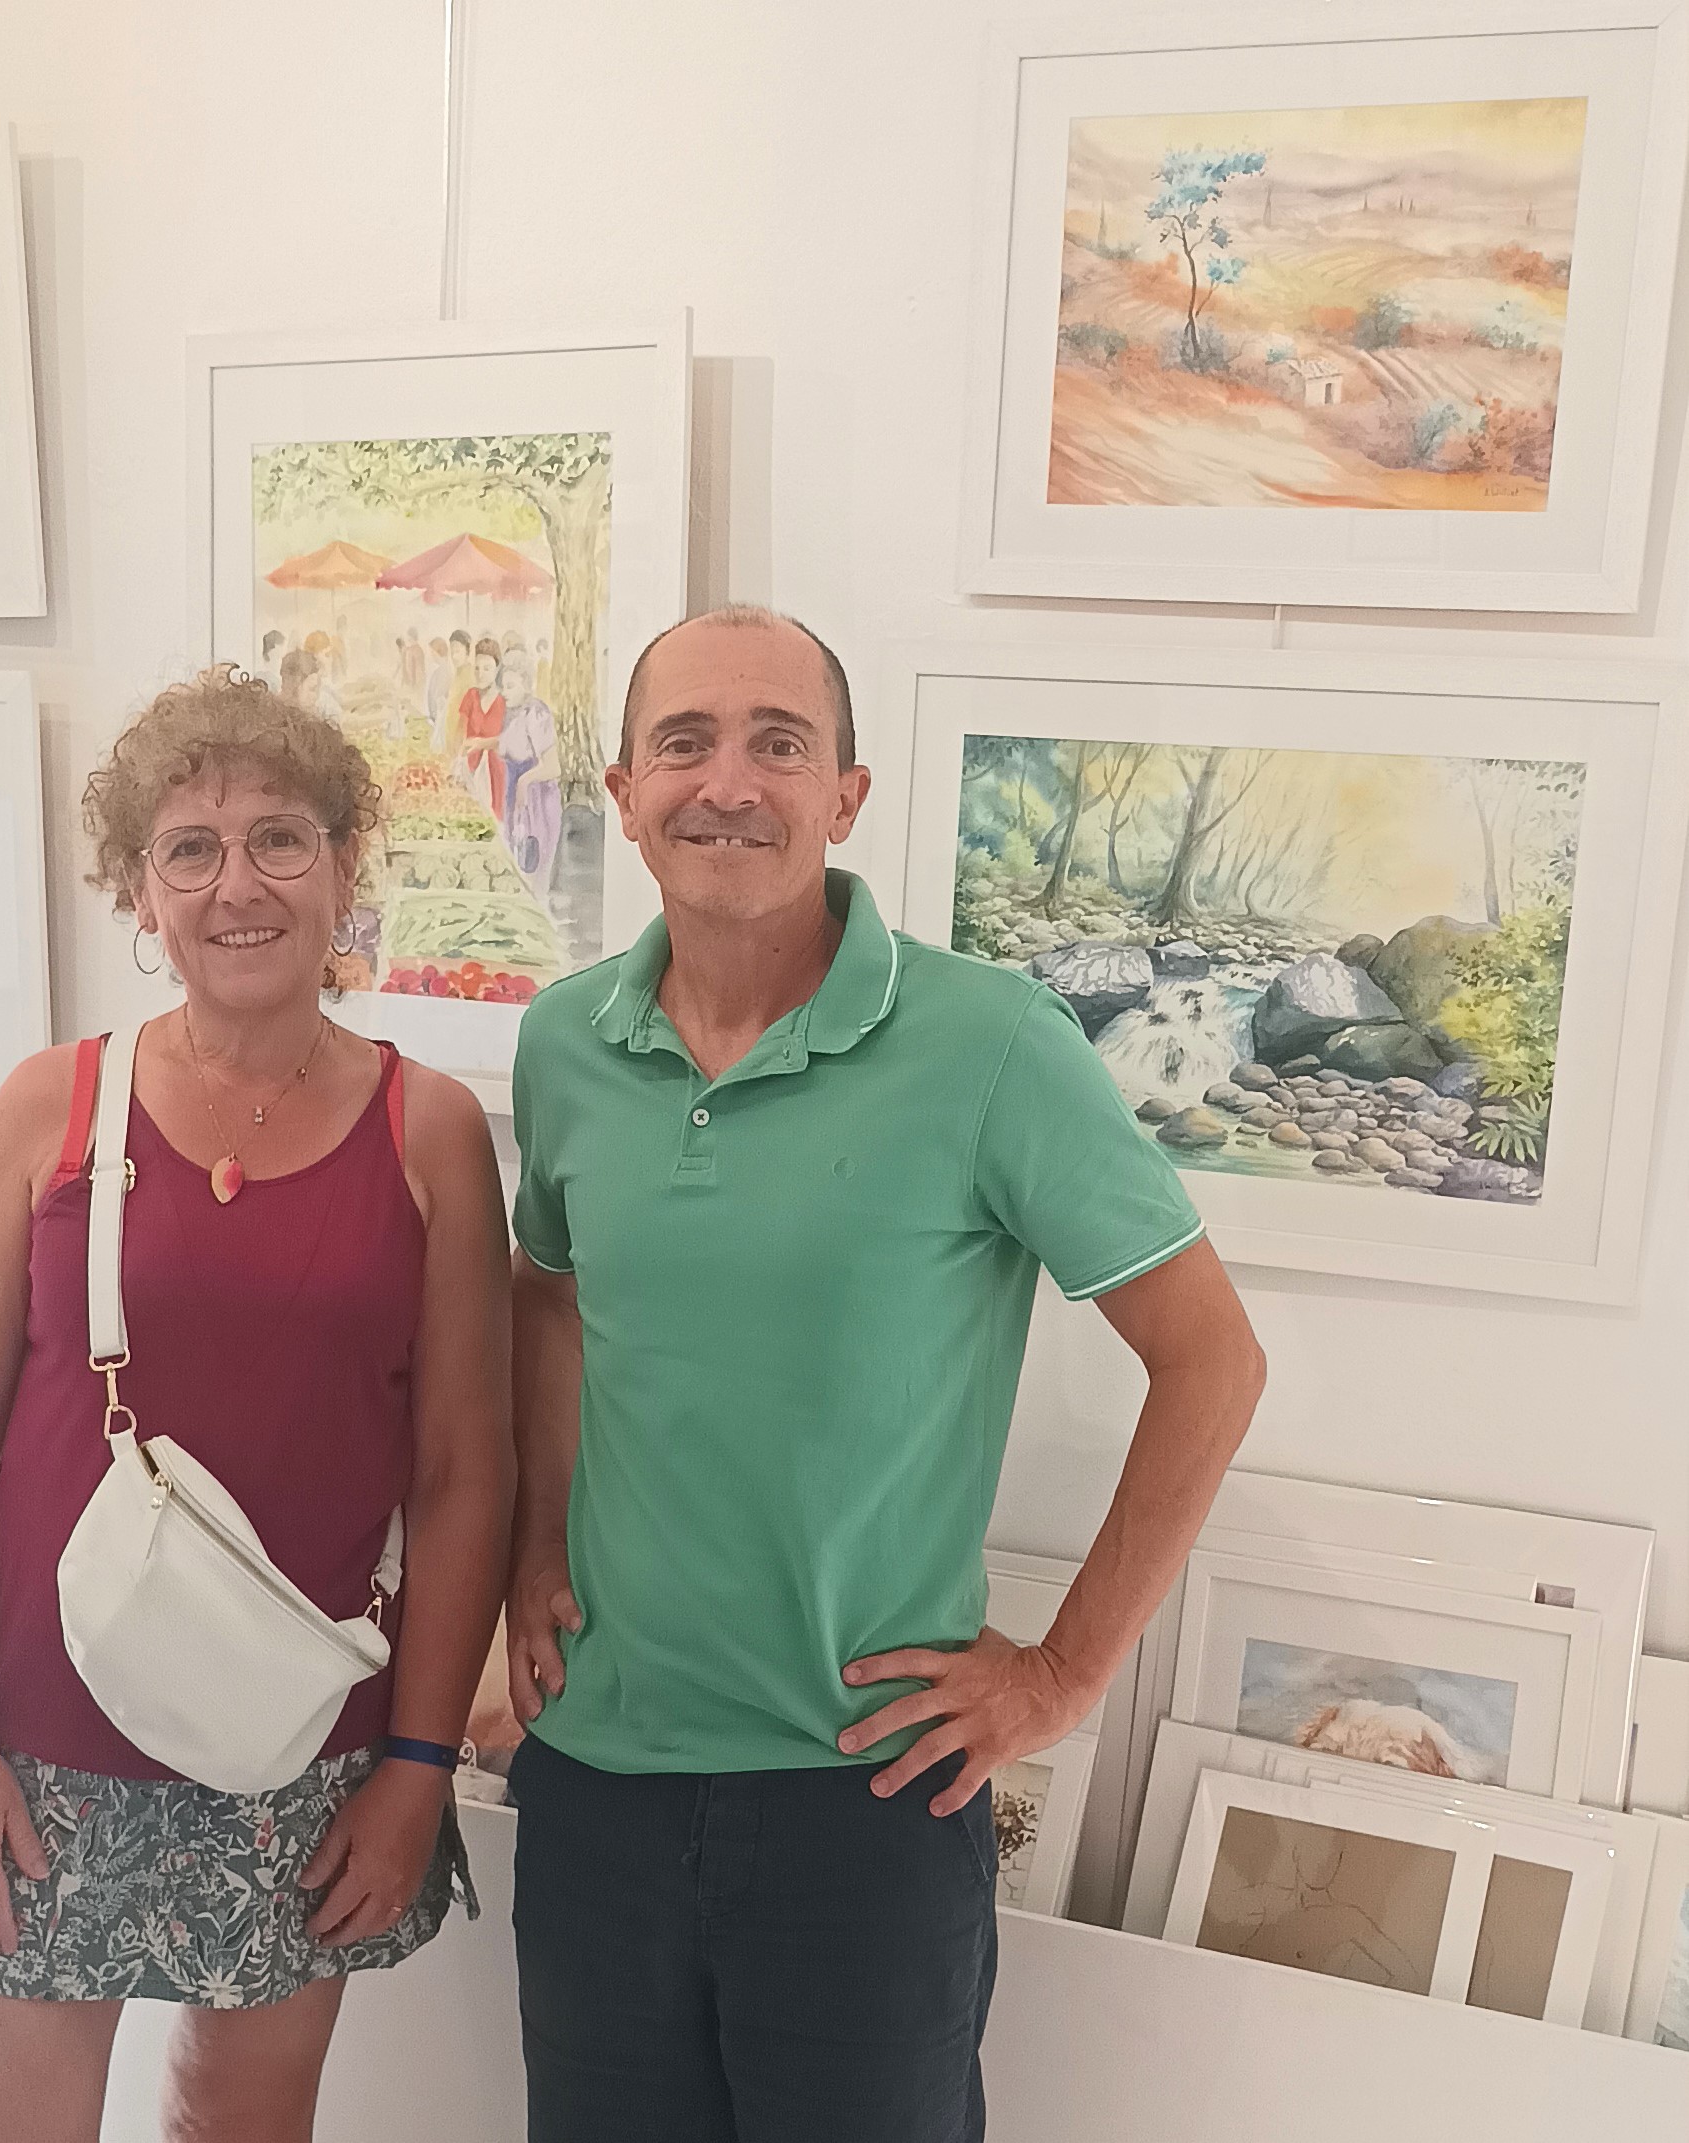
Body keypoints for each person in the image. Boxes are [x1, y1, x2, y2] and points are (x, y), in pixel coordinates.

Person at [502, 606, 1266, 2143]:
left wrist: (1063, 1674)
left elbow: (1211, 1359)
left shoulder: (994, 1044)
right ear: (625, 791)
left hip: (863, 1797)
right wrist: (536, 1546)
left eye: (779, 743)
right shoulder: (565, 1041)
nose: (730, 780)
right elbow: (553, 1298)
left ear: (845, 795)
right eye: (686, 741)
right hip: (596, 1784)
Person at [0, 665, 513, 2143]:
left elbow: (465, 1472)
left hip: (303, 1752)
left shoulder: (430, 1129)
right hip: (33, 1755)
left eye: (281, 837)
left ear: (343, 868)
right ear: (139, 894)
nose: (239, 884)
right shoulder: (51, 1105)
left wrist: (419, 1765)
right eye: (191, 848)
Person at [495, 649, 562, 895]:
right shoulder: (511, 713)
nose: (504, 692)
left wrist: (525, 780)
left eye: (510, 686)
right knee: (517, 870)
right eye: (503, 687)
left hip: (538, 802)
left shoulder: (536, 713)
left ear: (525, 684)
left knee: (533, 871)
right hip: (517, 799)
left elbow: (553, 766)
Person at [456, 650, 508, 820]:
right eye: (477, 668)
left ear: (497, 669)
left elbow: (509, 739)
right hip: (470, 765)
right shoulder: (471, 696)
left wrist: (481, 743)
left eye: (486, 668)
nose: (480, 674)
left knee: (496, 814)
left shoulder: (504, 701)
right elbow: (460, 732)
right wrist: (458, 760)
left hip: (497, 768)